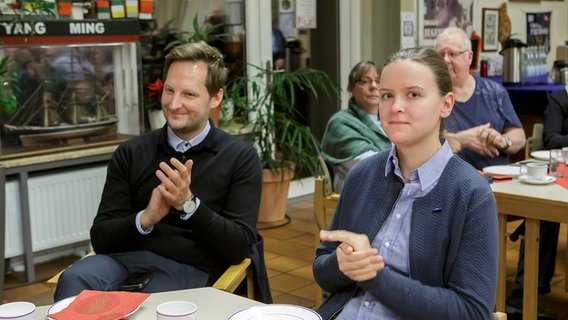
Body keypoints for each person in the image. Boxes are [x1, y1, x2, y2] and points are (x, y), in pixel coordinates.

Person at [54, 41, 270, 303]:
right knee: (73, 279)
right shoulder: (132, 153)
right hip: (123, 261)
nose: (174, 103)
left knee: (148, 306)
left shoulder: (239, 158)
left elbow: (238, 247)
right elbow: (101, 238)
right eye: (169, 90)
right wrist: (146, 218)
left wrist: (188, 205)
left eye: (188, 95)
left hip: (192, 269)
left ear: (216, 97)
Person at [313, 47, 499, 319]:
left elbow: (472, 312)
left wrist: (374, 276)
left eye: (413, 94)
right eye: (387, 95)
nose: (395, 106)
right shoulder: (362, 176)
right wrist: (341, 263)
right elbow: (322, 273)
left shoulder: (471, 193)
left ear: (446, 104)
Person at [507, 87, 568, 319]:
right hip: (559, 173)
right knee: (544, 213)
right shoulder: (559, 100)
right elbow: (551, 138)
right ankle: (525, 291)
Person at [434, 27, 526, 170]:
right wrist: (461, 140)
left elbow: (519, 136)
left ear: (469, 57)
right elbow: (422, 145)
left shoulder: (494, 92)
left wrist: (502, 140)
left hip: (498, 180)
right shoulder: (429, 96)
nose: (445, 60)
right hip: (451, 182)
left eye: (452, 54)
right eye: (440, 55)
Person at [321, 60, 391, 193]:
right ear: (351, 88)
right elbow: (369, 165)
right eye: (365, 81)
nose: (374, 86)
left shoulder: (391, 118)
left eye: (378, 80)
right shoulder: (340, 121)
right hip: (359, 189)